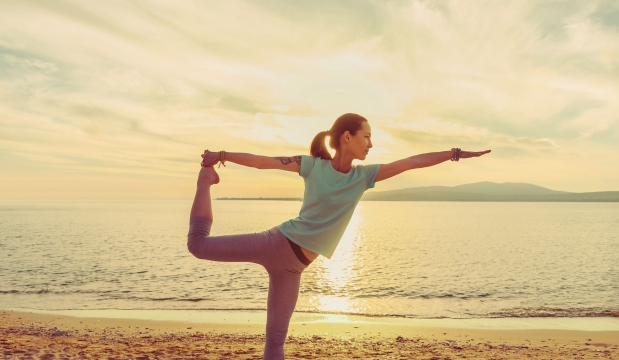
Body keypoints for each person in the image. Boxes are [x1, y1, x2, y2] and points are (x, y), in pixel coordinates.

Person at [188, 113, 490, 359]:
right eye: (367, 136)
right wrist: (220, 156)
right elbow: (264, 161)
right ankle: (205, 180)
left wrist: (456, 154)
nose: (371, 143)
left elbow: (411, 162)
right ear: (348, 137)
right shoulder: (311, 166)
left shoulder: (364, 177)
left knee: (276, 342)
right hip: (277, 243)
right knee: (198, 245)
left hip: (293, 269)